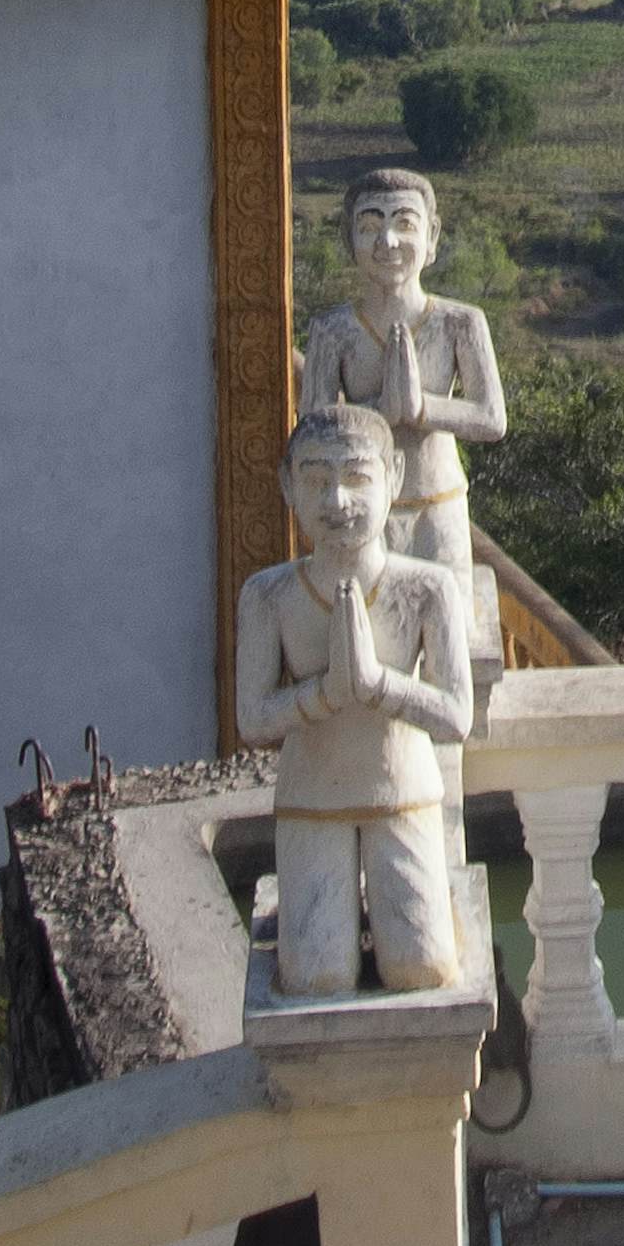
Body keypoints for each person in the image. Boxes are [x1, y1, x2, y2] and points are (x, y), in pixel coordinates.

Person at [232, 407, 476, 996]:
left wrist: (378, 686)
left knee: (419, 968)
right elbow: (253, 719)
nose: (336, 501)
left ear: (392, 478)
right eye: (317, 480)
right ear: (289, 485)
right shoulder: (269, 597)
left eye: (356, 478)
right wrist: (326, 694)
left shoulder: (425, 589)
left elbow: (456, 716)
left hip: (402, 794)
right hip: (312, 798)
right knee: (320, 976)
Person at [295, 167, 508, 576]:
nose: (387, 241)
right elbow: (314, 429)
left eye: (405, 224)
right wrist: (380, 412)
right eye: (370, 225)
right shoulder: (333, 330)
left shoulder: (460, 323)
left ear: (431, 237)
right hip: (364, 507)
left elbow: (491, 418)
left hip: (438, 499)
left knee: (450, 623)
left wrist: (421, 408)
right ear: (348, 238)